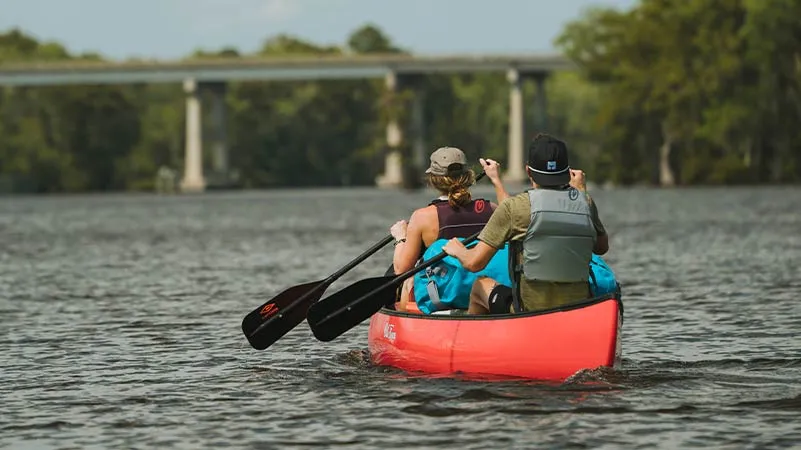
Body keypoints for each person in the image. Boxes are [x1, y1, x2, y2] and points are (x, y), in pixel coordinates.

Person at [442, 133, 609, 314]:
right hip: (577, 309)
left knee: (480, 286)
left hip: (529, 311)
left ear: (528, 171)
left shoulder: (515, 207)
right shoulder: (587, 203)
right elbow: (601, 247)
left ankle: (477, 340)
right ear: (567, 172)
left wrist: (457, 250)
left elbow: (474, 263)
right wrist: (581, 193)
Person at [389, 146, 509, 312]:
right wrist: (496, 179)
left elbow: (401, 270)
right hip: (490, 290)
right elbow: (512, 215)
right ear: (468, 176)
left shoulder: (422, 217)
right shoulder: (492, 209)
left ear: (433, 179)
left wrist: (401, 238)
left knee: (406, 282)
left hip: (447, 296)